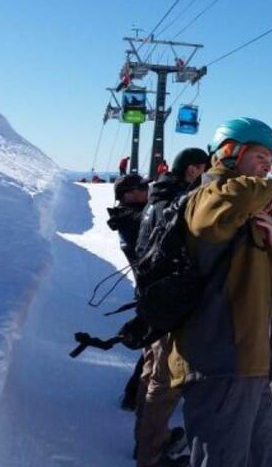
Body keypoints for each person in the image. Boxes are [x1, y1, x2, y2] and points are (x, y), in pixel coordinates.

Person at [169, 118, 272, 467]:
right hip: (220, 359)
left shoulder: (244, 211)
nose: (267, 169)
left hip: (247, 360)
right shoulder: (208, 196)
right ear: (230, 152)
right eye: (261, 158)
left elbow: (268, 289)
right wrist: (271, 189)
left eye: (271, 163)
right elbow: (209, 219)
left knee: (262, 458)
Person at [132, 148, 211, 467]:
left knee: (151, 372)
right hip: (168, 302)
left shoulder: (156, 197)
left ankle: (148, 440)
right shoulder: (178, 202)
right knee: (163, 383)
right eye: (203, 170)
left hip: (151, 297)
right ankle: (150, 455)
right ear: (192, 171)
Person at [106, 173, 150, 413]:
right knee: (156, 346)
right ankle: (134, 396)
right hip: (151, 291)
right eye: (142, 187)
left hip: (148, 289)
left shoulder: (128, 215)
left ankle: (135, 396)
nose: (148, 190)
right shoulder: (131, 217)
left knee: (154, 346)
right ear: (128, 194)